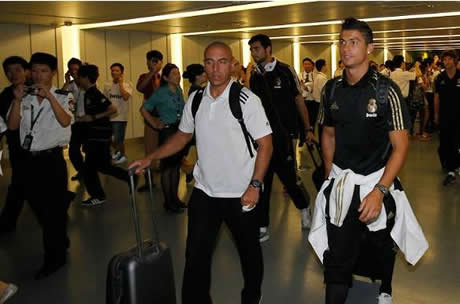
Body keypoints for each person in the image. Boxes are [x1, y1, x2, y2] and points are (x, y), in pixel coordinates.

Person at [130, 41, 273, 304]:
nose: (215, 68)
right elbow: (183, 136)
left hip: (241, 193)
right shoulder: (195, 99)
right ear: (204, 66)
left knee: (249, 253)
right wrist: (151, 157)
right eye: (209, 62)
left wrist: (255, 184)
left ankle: (252, 296)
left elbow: (266, 144)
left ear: (232, 65)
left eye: (221, 62)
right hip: (205, 192)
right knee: (195, 255)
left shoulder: (246, 100)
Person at [312, 18, 417, 304]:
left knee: (382, 243)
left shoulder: (386, 92)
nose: (345, 48)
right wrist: (329, 174)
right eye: (342, 42)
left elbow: (400, 146)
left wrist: (380, 192)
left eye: (353, 42)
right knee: (338, 255)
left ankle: (386, 286)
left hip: (376, 180)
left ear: (369, 48)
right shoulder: (332, 89)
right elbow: (328, 134)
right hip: (343, 181)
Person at [8, 52, 74, 279]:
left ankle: (54, 259)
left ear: (52, 73)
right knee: (39, 208)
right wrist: (16, 100)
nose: (38, 75)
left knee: (51, 213)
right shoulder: (23, 97)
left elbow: (66, 120)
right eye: (34, 70)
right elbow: (13, 126)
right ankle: (59, 232)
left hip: (52, 161)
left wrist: (50, 98)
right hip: (29, 161)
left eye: (43, 70)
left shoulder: (64, 96)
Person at [247, 34, 314, 241]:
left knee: (289, 179)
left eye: (257, 49)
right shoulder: (255, 75)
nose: (253, 53)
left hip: (284, 136)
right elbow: (251, 105)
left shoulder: (285, 71)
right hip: (262, 138)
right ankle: (262, 224)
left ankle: (304, 208)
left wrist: (308, 128)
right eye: (252, 49)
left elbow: (298, 100)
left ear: (268, 49)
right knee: (262, 180)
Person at [77, 64, 131, 206]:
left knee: (89, 168)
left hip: (98, 136)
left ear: (85, 78)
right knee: (103, 166)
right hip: (95, 136)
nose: (78, 80)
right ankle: (129, 177)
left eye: (80, 77)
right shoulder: (89, 93)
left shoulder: (94, 93)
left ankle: (98, 195)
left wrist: (92, 118)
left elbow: (112, 109)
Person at [141, 63, 187, 213]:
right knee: (167, 168)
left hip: (179, 130)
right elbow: (144, 109)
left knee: (175, 167)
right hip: (167, 131)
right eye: (174, 73)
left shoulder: (179, 90)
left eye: (178, 73)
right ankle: (168, 202)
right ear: (166, 77)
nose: (178, 76)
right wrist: (154, 122)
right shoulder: (160, 92)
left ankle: (175, 199)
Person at [0, 56, 29, 234]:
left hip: (41, 149)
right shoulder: (5, 95)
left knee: (35, 184)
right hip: (17, 148)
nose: (13, 74)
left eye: (17, 69)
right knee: (18, 185)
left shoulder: (37, 91)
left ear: (26, 70)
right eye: (8, 71)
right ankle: (6, 223)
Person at [136, 50, 163, 192]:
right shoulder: (144, 77)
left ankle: (187, 169)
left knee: (168, 148)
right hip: (151, 119)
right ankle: (149, 181)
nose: (153, 64)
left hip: (164, 118)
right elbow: (140, 88)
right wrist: (152, 73)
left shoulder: (164, 78)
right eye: (151, 61)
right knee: (150, 150)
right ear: (147, 62)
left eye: (156, 61)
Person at [434, 49, 460, 186]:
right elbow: (437, 97)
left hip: (458, 116)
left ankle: (453, 168)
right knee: (445, 142)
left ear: (454, 61)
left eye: (449, 59)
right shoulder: (440, 78)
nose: (447, 62)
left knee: (456, 141)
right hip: (445, 115)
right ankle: (450, 167)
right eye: (445, 60)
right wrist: (436, 115)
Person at [104, 62, 133, 164]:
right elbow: (106, 100)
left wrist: (120, 84)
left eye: (117, 70)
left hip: (120, 117)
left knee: (118, 139)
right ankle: (119, 154)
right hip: (109, 116)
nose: (114, 72)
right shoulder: (107, 85)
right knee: (109, 139)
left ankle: (121, 156)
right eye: (112, 70)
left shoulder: (127, 84)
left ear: (122, 72)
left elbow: (125, 97)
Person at [62, 57, 86, 181]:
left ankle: (88, 172)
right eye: (71, 70)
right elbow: (60, 97)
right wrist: (66, 81)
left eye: (76, 69)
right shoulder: (70, 85)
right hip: (75, 123)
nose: (74, 72)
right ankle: (82, 171)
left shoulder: (87, 83)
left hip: (87, 122)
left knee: (89, 151)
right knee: (73, 151)